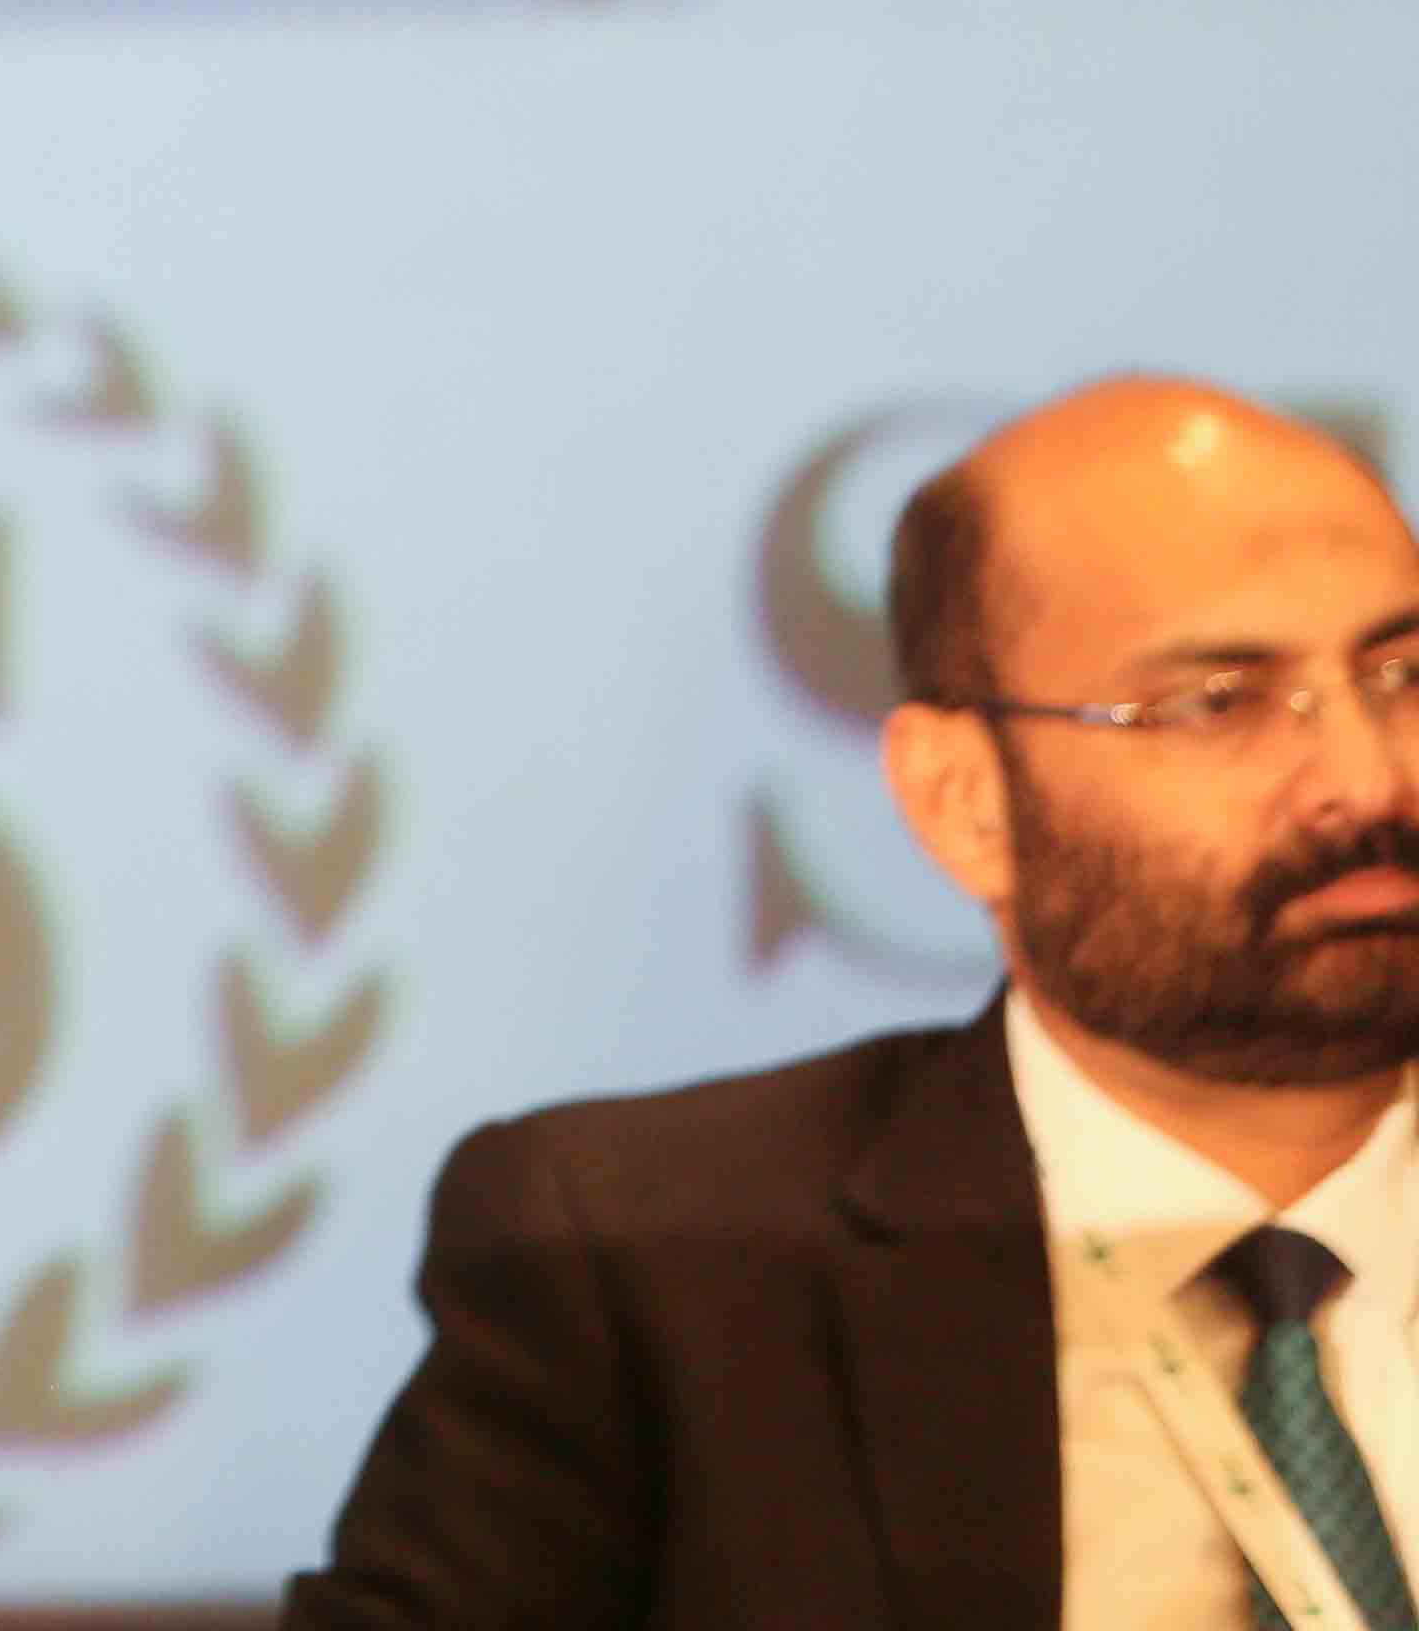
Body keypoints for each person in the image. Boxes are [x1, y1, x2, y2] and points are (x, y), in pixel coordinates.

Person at [290, 377, 1419, 1630]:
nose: (1368, 779)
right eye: (1219, 702)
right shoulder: (648, 1267)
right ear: (964, 801)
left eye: (1403, 673)